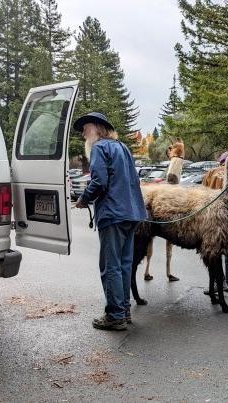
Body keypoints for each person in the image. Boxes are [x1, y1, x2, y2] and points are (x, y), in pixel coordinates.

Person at [74, 112, 146, 331]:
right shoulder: (122, 147)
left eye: (85, 128)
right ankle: (124, 311)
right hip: (132, 213)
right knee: (124, 265)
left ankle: (115, 316)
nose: (83, 133)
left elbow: (99, 181)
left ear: (97, 128)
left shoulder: (98, 148)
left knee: (111, 266)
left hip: (113, 215)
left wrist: (83, 199)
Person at [202, 152, 228, 294]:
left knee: (214, 252)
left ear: (220, 162)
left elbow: (202, 194)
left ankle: (218, 282)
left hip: (212, 218)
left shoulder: (211, 173)